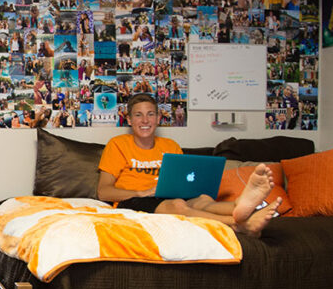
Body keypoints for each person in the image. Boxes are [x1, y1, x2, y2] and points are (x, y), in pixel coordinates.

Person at [97, 93, 280, 236]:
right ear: (129, 120)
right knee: (178, 205)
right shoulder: (117, 144)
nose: (145, 120)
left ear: (158, 118)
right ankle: (238, 224)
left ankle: (241, 205)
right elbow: (103, 191)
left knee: (203, 199)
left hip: (169, 197)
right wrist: (141, 192)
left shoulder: (170, 146)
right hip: (134, 201)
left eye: (150, 114)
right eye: (138, 115)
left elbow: (185, 181)